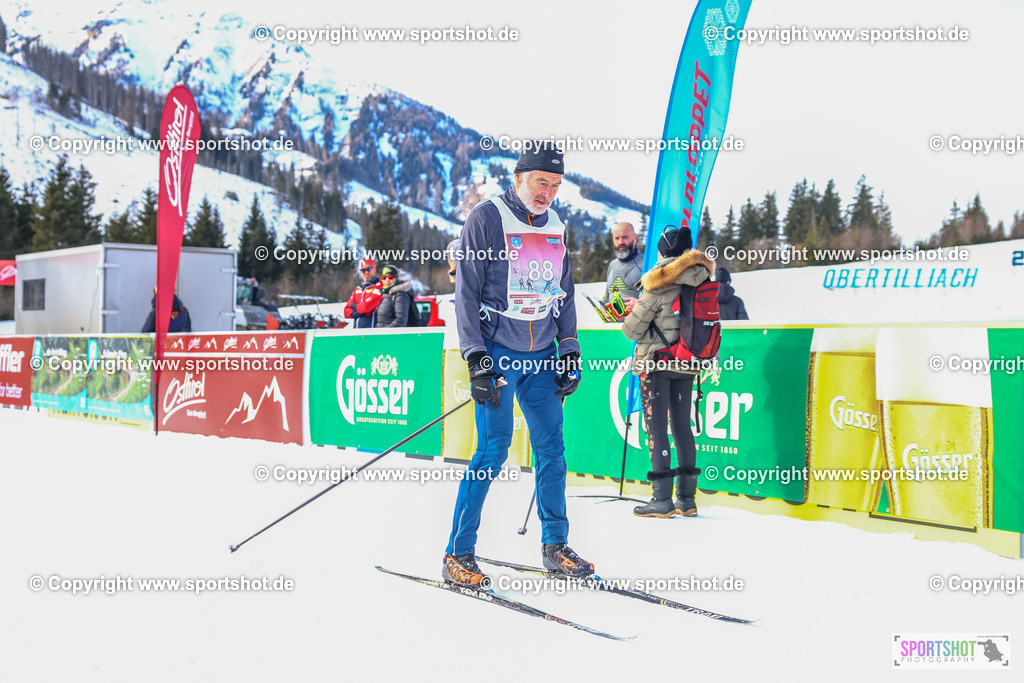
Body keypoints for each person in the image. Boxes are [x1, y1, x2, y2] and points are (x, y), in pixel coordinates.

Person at [444, 142, 593, 587]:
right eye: (541, 181)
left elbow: (563, 294)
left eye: (555, 184)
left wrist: (570, 351)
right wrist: (477, 360)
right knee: (492, 450)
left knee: (552, 450)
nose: (547, 191)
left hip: (544, 355)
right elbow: (465, 294)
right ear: (519, 177)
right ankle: (459, 552)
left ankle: (555, 545)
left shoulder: (556, 226)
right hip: (500, 354)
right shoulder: (487, 218)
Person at [621, 226, 714, 518]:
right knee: (682, 427)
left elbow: (632, 330)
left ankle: (661, 500)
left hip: (657, 364)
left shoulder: (657, 282)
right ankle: (686, 500)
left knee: (657, 428)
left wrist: (632, 312)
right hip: (688, 361)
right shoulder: (701, 277)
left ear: (663, 252)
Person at [603, 222, 643, 314]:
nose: (620, 242)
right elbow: (606, 295)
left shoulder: (646, 262)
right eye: (617, 238)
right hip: (612, 327)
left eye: (625, 237)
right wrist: (603, 308)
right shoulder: (612, 264)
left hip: (637, 326)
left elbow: (658, 299)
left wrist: (640, 305)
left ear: (635, 238)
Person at [345, 258, 383, 328]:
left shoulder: (379, 286)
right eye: (363, 270)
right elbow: (346, 312)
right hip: (357, 332)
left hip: (371, 332)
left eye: (368, 269)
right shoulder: (357, 289)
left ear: (374, 269)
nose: (366, 272)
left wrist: (354, 306)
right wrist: (362, 312)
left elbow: (366, 307)